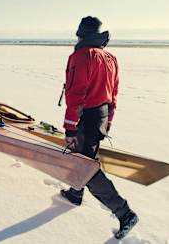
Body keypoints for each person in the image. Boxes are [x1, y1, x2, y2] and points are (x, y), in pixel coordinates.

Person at [60, 16, 138, 239]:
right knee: (83, 157)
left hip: (86, 116)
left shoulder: (81, 56)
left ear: (81, 34)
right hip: (102, 115)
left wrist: (70, 128)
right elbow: (114, 93)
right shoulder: (110, 57)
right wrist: (109, 120)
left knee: (86, 167)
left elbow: (76, 94)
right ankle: (75, 193)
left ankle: (125, 213)